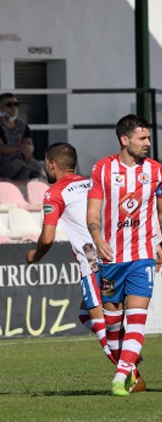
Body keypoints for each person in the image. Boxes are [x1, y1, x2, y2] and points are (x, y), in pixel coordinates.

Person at [25, 143, 144, 389]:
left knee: (101, 324)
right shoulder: (93, 183)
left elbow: (47, 238)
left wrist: (35, 256)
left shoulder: (54, 192)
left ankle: (130, 373)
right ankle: (126, 353)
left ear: (51, 164)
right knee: (85, 314)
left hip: (92, 259)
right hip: (116, 253)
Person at [86, 114, 162, 397]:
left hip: (142, 256)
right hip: (111, 259)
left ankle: (120, 377)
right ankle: (129, 371)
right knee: (113, 326)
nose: (148, 143)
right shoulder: (102, 169)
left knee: (137, 318)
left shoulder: (157, 172)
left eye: (148, 138)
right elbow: (92, 214)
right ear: (125, 140)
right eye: (142, 138)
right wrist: (98, 239)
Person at [0, 92, 41, 180]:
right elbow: (2, 148)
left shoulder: (23, 126)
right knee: (21, 164)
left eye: (16, 104)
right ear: (1, 108)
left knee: (36, 168)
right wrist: (19, 149)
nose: (13, 108)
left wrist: (28, 148)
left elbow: (29, 144)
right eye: (9, 105)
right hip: (4, 165)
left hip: (22, 163)